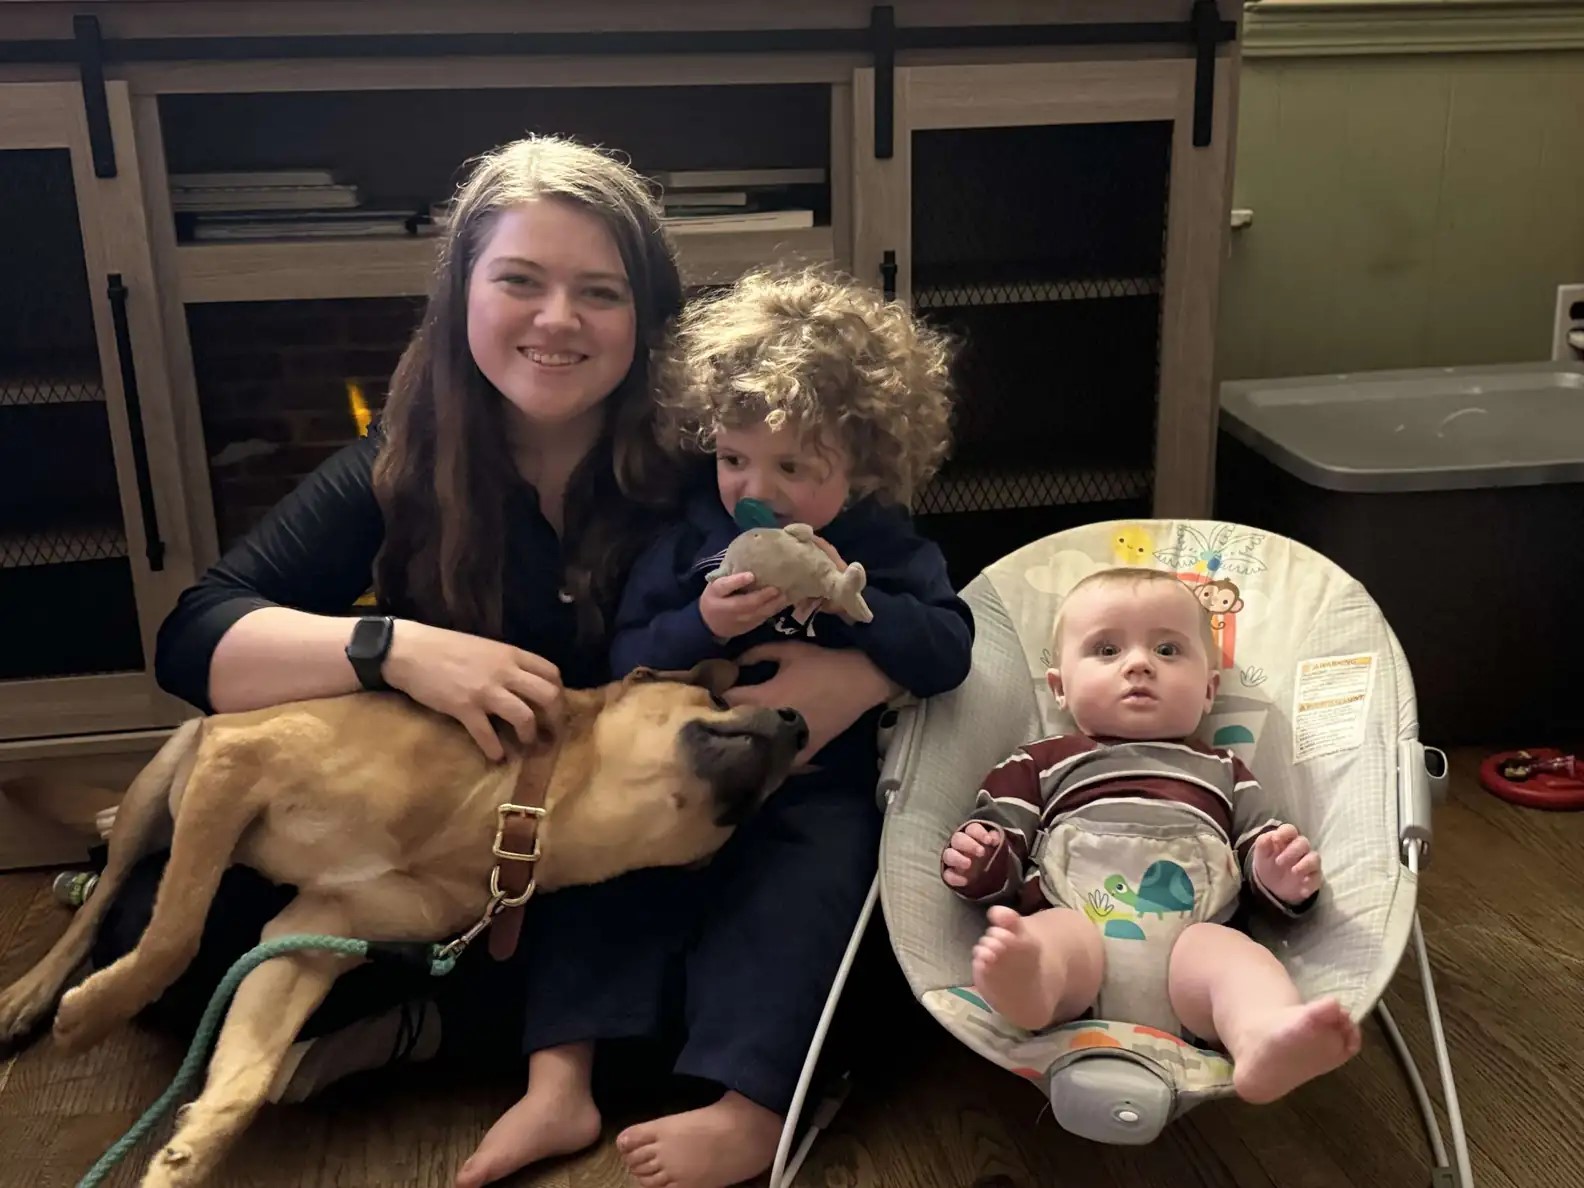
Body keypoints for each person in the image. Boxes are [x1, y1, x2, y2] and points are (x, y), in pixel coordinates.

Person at [90, 134, 906, 1188]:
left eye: (598, 292)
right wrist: (396, 649)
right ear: (462, 295)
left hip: (644, 844)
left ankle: (469, 1031)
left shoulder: (722, 455)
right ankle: (502, 1029)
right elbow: (193, 639)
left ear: (646, 315)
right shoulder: (398, 464)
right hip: (445, 846)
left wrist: (867, 674)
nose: (556, 319)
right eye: (519, 281)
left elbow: (905, 579)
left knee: (864, 915)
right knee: (144, 937)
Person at [557, 264, 970, 1184]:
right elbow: (629, 653)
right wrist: (704, 623)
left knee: (805, 894)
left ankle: (751, 1108)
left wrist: (859, 616)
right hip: (683, 776)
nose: (760, 490)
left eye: (795, 468)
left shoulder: (885, 545)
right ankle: (559, 1076)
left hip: (814, 791)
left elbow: (949, 647)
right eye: (736, 459)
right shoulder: (695, 537)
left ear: (863, 468)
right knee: (594, 870)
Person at [939, 566, 1362, 1105]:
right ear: (1060, 689)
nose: (1139, 664)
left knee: (1233, 959)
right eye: (1107, 650)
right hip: (1079, 924)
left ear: (1209, 691)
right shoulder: (1042, 761)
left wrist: (1278, 873)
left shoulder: (1225, 769)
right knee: (1055, 935)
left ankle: (1259, 1035)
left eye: (1167, 650)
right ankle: (1030, 985)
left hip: (1193, 945)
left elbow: (1261, 842)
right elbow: (1003, 842)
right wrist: (982, 859)